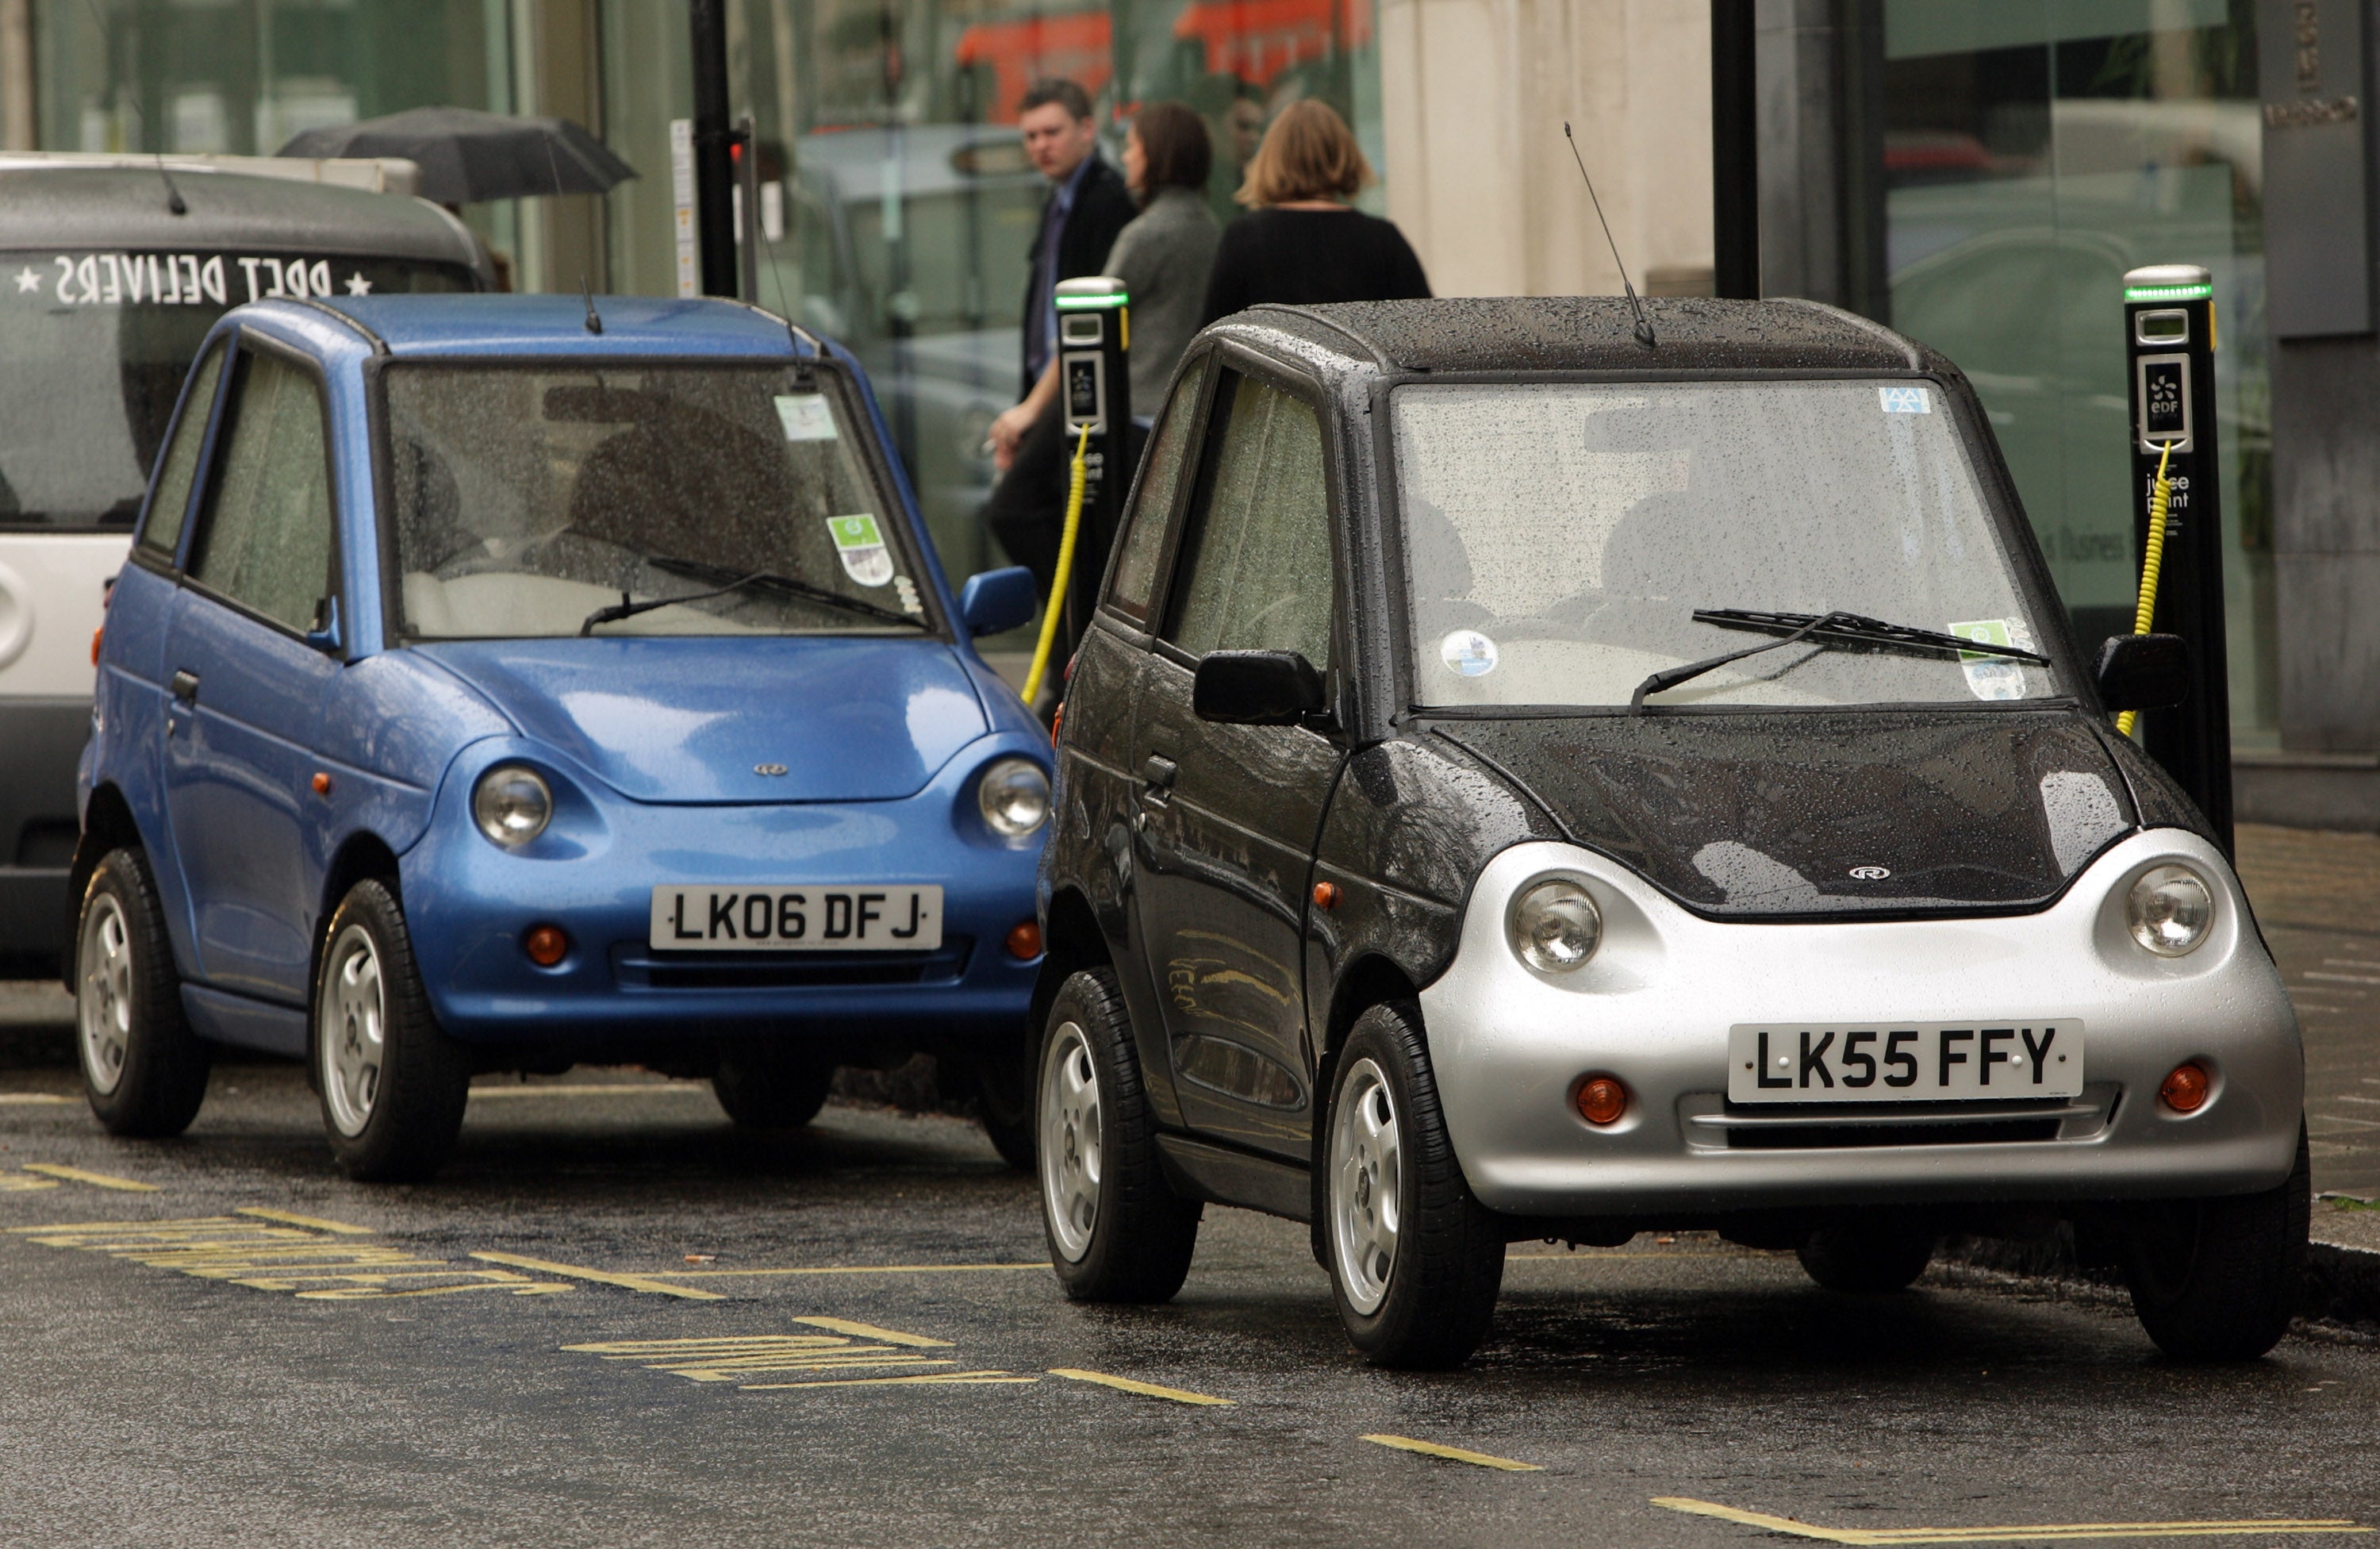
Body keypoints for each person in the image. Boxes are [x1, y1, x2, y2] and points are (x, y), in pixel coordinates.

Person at [987, 102, 1219, 467]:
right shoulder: (1206, 225)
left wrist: (1032, 409)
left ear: (1156, 154)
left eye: (1132, 147)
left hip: (1137, 411)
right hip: (1177, 407)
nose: (1125, 157)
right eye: (1031, 136)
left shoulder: (1148, 232)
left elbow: (1087, 320)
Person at [1199, 98, 1430, 326]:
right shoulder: (1383, 238)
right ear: (1345, 155)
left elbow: (1212, 338)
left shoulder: (1244, 236)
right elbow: (1426, 331)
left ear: (1273, 159)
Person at [1012, 79, 1137, 399]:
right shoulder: (1057, 200)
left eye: (1052, 133)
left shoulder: (1108, 200)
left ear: (1087, 129)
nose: (1040, 146)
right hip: (1053, 382)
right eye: (1031, 136)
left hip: (1085, 383)